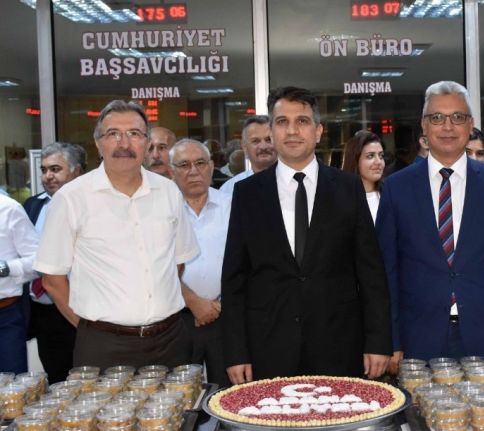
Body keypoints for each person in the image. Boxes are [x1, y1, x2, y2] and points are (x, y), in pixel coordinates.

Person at [221, 86, 391, 383]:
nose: (292, 131)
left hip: (339, 346)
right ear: (271, 131)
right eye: (282, 122)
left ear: (318, 131)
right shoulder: (247, 194)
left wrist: (378, 341)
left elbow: (371, 272)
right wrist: (235, 351)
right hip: (268, 349)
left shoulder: (348, 188)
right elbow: (235, 280)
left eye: (302, 121)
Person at [376, 81, 484, 371]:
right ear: (424, 126)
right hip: (417, 337)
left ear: (470, 125)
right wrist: (390, 340)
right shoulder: (396, 187)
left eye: (457, 117)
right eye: (437, 117)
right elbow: (387, 272)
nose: (447, 126)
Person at [33, 100, 199, 369]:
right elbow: (52, 279)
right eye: (113, 134)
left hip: (170, 340)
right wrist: (91, 328)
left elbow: (177, 263)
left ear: (146, 142)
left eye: (134, 133)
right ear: (98, 143)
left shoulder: (168, 191)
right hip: (104, 346)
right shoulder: (71, 198)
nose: (124, 143)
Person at [170, 138, 231, 387]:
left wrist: (218, 305)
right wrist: (193, 302)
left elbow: (248, 263)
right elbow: (153, 267)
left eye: (200, 163)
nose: (193, 171)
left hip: (226, 316)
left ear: (212, 166)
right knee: (181, 394)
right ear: (171, 171)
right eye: (184, 165)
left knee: (227, 394)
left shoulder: (232, 206)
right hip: (178, 319)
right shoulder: (161, 211)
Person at [24, 142, 84, 383]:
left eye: (56, 169)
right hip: (44, 310)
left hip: (78, 305)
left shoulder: (89, 206)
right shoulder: (32, 205)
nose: (48, 176)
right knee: (57, 380)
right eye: (44, 169)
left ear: (76, 171)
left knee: (86, 378)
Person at [1, 194, 39, 373]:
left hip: (4, 317)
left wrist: (6, 268)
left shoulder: (8, 209)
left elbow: (38, 260)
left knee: (12, 385)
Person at [219, 116, 276, 197]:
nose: (263, 146)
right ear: (245, 147)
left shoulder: (293, 183)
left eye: (269, 140)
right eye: (255, 141)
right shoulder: (230, 190)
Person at [342, 130, 385, 222]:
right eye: (370, 156)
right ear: (355, 160)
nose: (378, 162)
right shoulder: (339, 199)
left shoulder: (390, 194)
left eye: (381, 156)